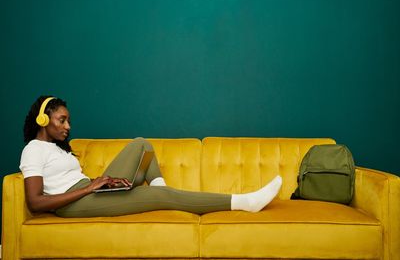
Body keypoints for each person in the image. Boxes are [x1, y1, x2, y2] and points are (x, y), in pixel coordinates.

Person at [20, 96, 282, 218]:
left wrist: (101, 183)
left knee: (141, 144)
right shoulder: (33, 149)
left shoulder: (57, 148)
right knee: (160, 196)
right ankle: (245, 202)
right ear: (43, 120)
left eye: (69, 120)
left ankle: (164, 194)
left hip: (89, 191)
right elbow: (35, 202)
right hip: (73, 204)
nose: (68, 126)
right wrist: (89, 187)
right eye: (62, 120)